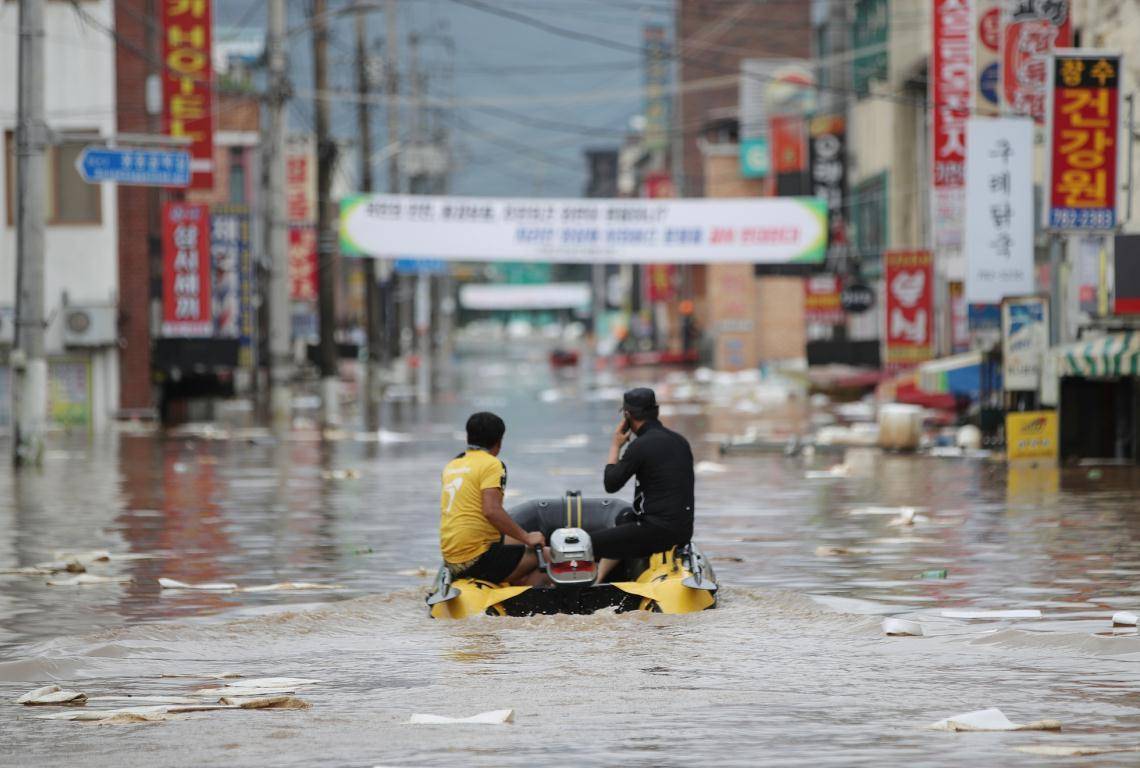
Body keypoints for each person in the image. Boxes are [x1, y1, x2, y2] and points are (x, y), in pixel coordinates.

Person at [594, 388, 695, 581]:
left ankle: (586, 589)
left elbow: (611, 483)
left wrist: (616, 445)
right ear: (656, 411)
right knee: (625, 519)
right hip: (682, 531)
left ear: (627, 415)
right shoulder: (680, 441)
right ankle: (599, 579)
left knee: (583, 544)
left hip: (656, 533)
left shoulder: (640, 446)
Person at [440, 412, 547, 586]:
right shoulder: (492, 464)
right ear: (499, 441)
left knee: (526, 543)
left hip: (451, 558)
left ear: (468, 437)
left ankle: (512, 583)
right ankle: (526, 603)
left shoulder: (453, 465)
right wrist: (527, 537)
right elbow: (491, 511)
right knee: (550, 555)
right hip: (475, 558)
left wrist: (523, 538)